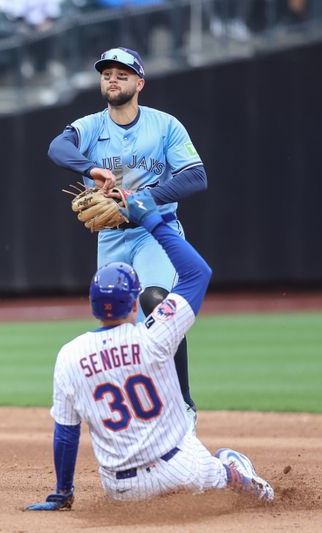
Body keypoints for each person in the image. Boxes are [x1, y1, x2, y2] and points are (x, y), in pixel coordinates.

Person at [25, 189, 274, 509]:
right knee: (219, 466)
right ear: (134, 302)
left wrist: (62, 494)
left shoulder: (70, 355)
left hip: (121, 489)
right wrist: (153, 221)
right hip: (181, 469)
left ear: (93, 305)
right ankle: (242, 477)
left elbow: (66, 434)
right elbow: (198, 273)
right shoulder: (156, 335)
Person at [48, 46, 206, 430]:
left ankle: (183, 404)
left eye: (122, 73)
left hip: (154, 231)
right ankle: (139, 413)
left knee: (157, 303)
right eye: (106, 73)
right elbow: (57, 147)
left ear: (140, 82)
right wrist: (91, 167)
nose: (112, 78)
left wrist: (142, 201)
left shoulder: (165, 125)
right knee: (116, 328)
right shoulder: (89, 127)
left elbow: (195, 176)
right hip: (112, 238)